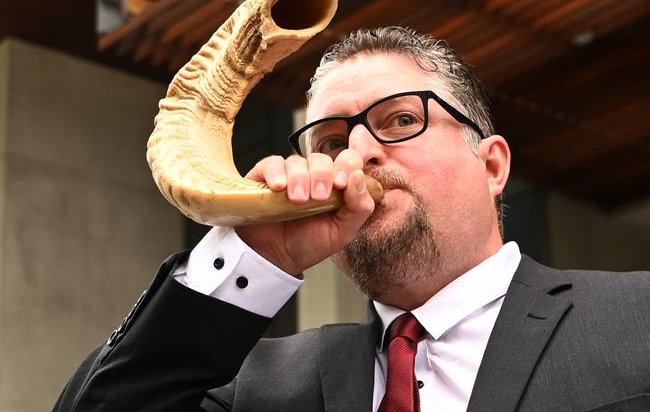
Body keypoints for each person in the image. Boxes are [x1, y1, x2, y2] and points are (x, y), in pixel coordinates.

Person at [54, 27, 650, 412]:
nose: (356, 154)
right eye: (331, 139)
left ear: (492, 165)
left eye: (397, 121)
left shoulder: (636, 318)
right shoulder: (255, 387)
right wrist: (253, 259)